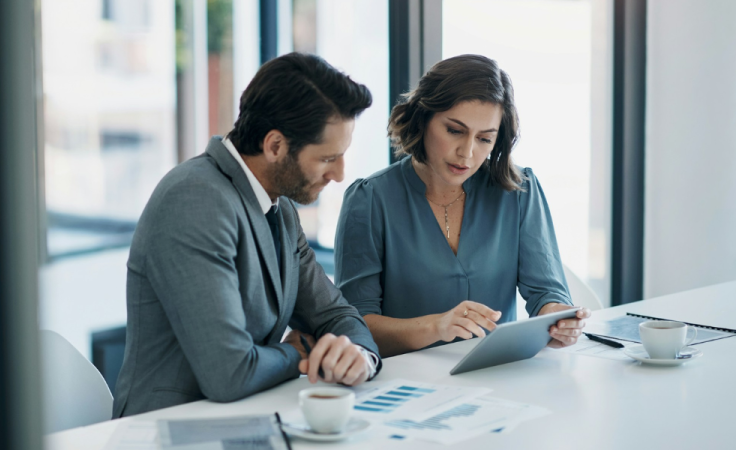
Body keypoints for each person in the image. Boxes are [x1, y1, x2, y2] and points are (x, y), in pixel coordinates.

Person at [113, 53, 382, 417]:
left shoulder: (279, 207)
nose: (339, 174)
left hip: (248, 419)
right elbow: (230, 372)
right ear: (275, 146)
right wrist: (300, 353)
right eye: (327, 158)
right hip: (171, 429)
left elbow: (335, 313)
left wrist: (358, 356)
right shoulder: (194, 199)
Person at [333, 54, 590, 358]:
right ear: (423, 118)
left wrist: (558, 318)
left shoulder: (519, 191)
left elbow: (546, 293)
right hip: (404, 382)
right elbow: (354, 326)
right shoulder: (370, 200)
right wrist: (435, 326)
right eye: (455, 130)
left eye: (484, 139)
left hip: (496, 374)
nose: (466, 153)